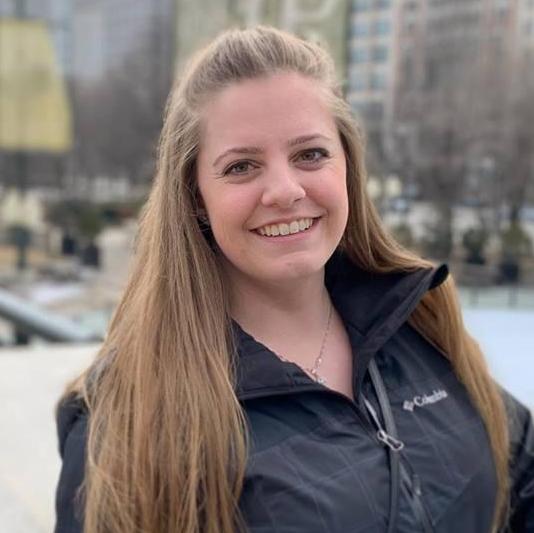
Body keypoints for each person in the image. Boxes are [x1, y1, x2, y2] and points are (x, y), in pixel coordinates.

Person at [54, 26, 534, 533]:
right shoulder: (133, 416)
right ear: (196, 197)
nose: (284, 190)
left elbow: (522, 477)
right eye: (241, 166)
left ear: (347, 166)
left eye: (310, 155)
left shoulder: (417, 323)